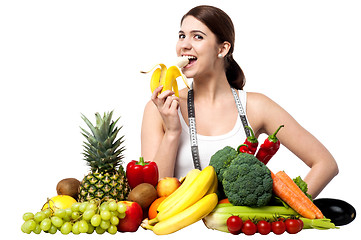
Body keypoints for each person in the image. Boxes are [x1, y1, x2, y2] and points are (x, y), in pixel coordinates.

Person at [140, 5, 338, 198]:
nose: (184, 44)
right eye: (182, 35)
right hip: (177, 228)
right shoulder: (160, 108)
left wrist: (290, 212)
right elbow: (149, 195)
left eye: (197, 36)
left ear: (223, 49)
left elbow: (325, 164)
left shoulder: (257, 106)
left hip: (240, 229)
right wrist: (173, 131)